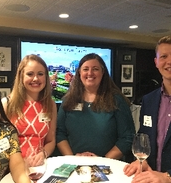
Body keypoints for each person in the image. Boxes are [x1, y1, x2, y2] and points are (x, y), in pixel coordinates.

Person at [56, 53, 135, 159]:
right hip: (74, 165)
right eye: (85, 69)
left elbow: (127, 138)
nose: (90, 73)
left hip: (108, 167)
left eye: (95, 69)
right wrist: (72, 159)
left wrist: (103, 161)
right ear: (79, 72)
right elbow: (60, 133)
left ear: (103, 72)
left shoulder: (117, 100)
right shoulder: (68, 101)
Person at [124, 35, 171, 183]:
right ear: (156, 62)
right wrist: (142, 160)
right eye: (164, 56)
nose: (169, 61)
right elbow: (144, 136)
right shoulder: (149, 100)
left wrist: (167, 176)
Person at [2, 54, 57, 166]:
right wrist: (18, 162)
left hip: (39, 167)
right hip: (11, 168)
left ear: (46, 77)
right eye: (30, 74)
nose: (35, 79)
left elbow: (51, 140)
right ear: (21, 76)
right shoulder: (7, 104)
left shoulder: (50, 105)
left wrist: (43, 154)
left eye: (40, 74)